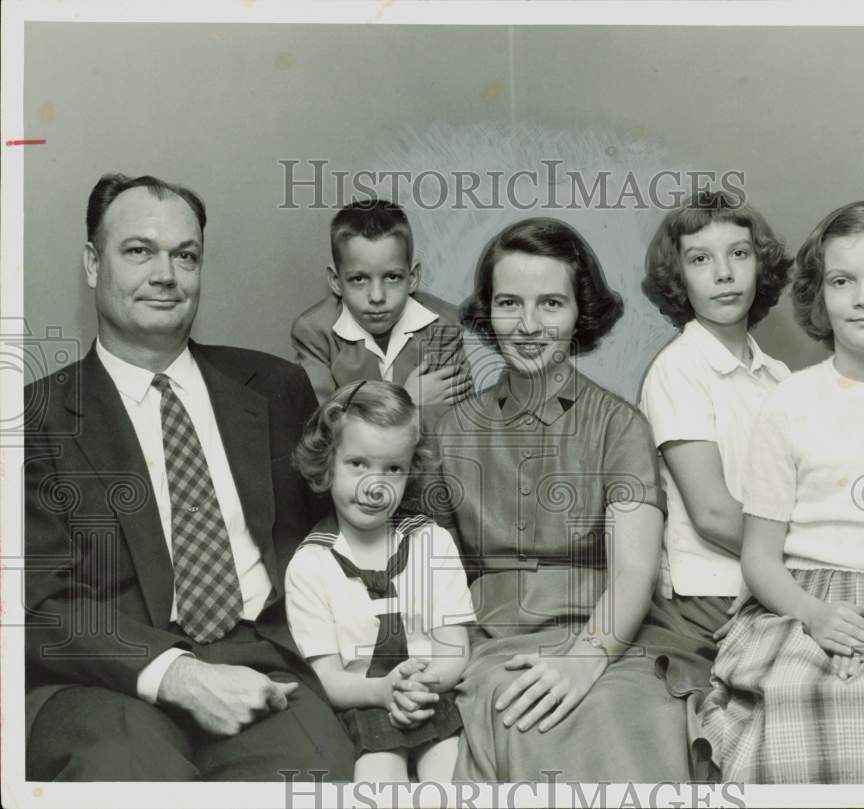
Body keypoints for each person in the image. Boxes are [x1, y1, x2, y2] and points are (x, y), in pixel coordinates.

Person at [23, 173, 354, 781]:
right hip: (107, 681)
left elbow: (345, 536)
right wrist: (173, 671)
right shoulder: (33, 420)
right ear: (93, 264)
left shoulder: (277, 388)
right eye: (139, 251)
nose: (166, 275)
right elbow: (28, 606)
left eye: (185, 255)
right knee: (125, 774)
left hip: (261, 663)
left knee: (314, 773)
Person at [698, 200, 864, 783]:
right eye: (843, 282)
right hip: (803, 603)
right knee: (799, 705)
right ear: (821, 296)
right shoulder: (790, 403)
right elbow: (760, 556)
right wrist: (816, 615)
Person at [434, 217, 707, 783]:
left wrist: (585, 658)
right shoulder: (451, 431)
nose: (529, 326)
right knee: (525, 712)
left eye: (551, 304)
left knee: (621, 712)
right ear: (488, 312)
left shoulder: (619, 425)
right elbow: (429, 568)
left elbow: (634, 571)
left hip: (614, 636)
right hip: (498, 642)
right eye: (509, 303)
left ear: (581, 312)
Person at [637, 193, 791, 769]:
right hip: (715, 592)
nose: (724, 273)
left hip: (770, 575)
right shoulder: (679, 370)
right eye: (700, 260)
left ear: (761, 265)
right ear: (678, 277)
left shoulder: (778, 375)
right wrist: (807, 561)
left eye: (740, 254)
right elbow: (714, 514)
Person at [285, 380, 475, 782]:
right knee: (378, 782)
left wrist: (420, 686)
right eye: (358, 464)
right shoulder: (311, 563)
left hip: (430, 693)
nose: (375, 485)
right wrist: (382, 691)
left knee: (452, 777)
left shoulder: (431, 541)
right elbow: (327, 676)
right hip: (364, 702)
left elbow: (454, 646)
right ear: (327, 462)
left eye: (393, 468)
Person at [290, 199, 472, 422]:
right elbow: (320, 428)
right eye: (359, 279)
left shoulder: (445, 326)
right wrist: (406, 400)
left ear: (412, 277)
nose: (377, 297)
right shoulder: (315, 333)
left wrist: (360, 415)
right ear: (336, 281)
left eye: (392, 277)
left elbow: (455, 429)